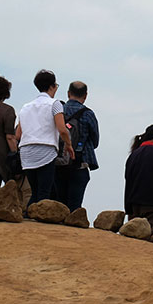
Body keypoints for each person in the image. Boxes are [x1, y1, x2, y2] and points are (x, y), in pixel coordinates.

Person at [16, 70, 73, 206]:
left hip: (26, 152)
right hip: (45, 150)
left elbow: (18, 134)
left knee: (35, 191)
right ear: (53, 86)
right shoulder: (55, 104)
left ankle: (28, 217)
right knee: (44, 191)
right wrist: (69, 145)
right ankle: (39, 224)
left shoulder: (25, 107)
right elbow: (62, 129)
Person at [53, 81, 99, 212]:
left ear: (68, 93)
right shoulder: (88, 114)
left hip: (58, 162)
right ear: (85, 95)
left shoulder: (58, 111)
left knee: (59, 203)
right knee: (74, 206)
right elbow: (95, 141)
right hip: (80, 163)